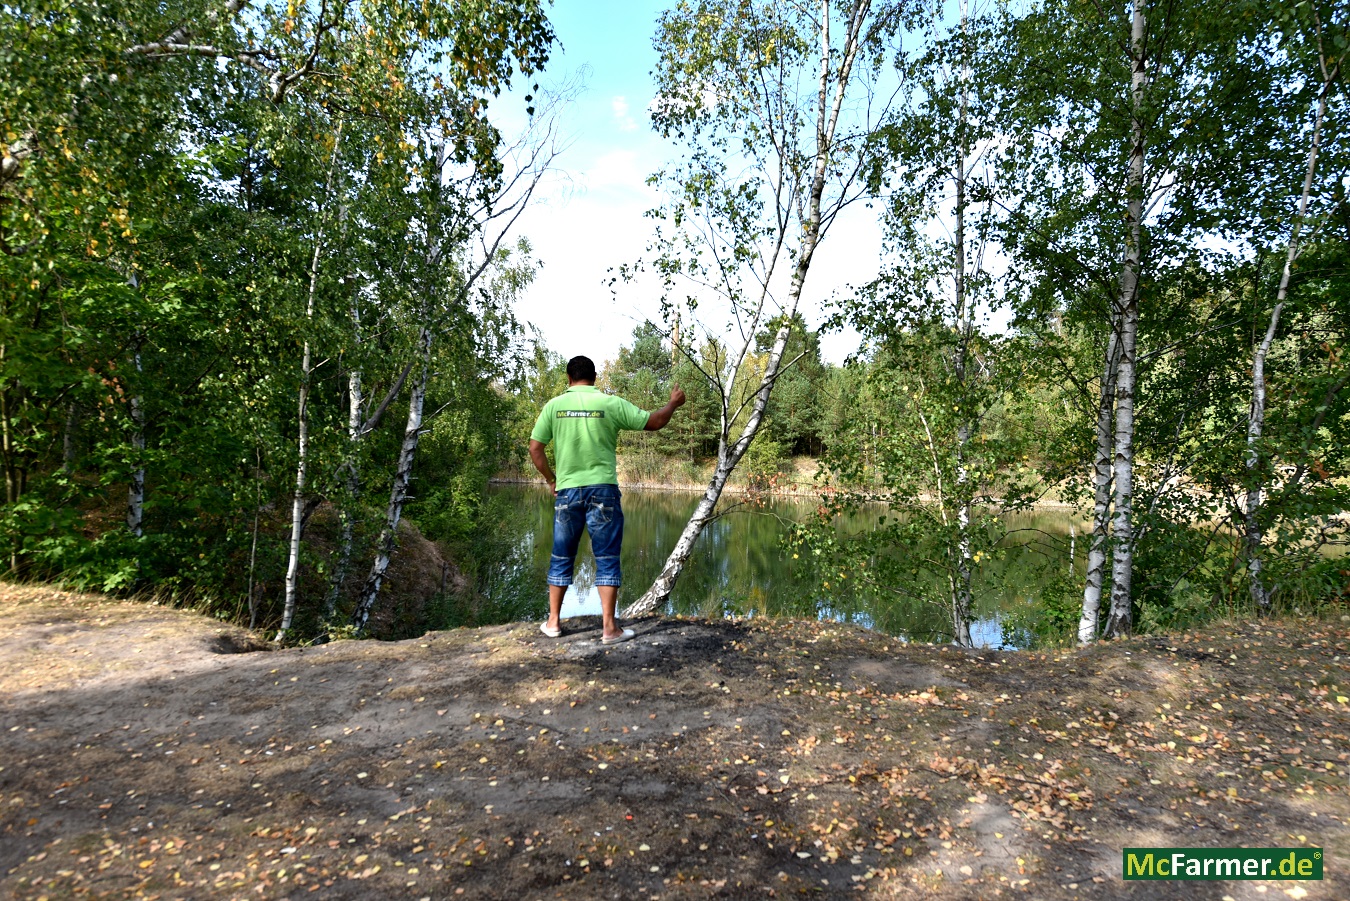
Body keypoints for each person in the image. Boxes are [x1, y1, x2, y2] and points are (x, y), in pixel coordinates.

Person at [528, 355, 686, 643]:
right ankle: (609, 628)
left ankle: (552, 622)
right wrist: (673, 403)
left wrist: (552, 479)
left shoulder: (554, 406)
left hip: (567, 491)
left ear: (568, 378)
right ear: (595, 377)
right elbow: (654, 422)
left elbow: (535, 448)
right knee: (607, 558)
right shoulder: (609, 404)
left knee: (562, 555)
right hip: (603, 491)